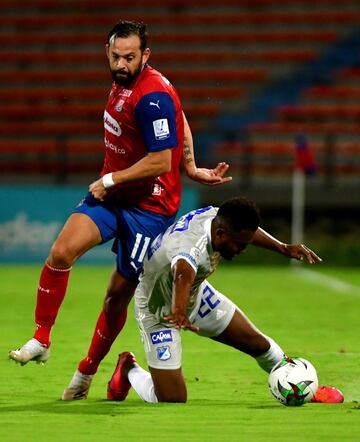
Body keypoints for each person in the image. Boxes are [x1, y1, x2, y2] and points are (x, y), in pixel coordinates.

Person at [8, 20, 231, 399]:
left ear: (146, 55)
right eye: (116, 56)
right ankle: (42, 338)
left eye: (130, 57)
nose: (122, 64)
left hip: (150, 210)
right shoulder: (127, 82)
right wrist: (191, 165)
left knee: (116, 297)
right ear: (107, 52)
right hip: (116, 195)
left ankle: (87, 371)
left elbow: (161, 160)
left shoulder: (152, 95)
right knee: (61, 252)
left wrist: (115, 179)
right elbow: (181, 117)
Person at [105, 196, 342, 404]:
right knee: (171, 398)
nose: (243, 249)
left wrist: (283, 248)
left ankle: (304, 390)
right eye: (240, 244)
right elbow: (182, 273)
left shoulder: (219, 218)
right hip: (160, 312)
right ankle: (128, 369)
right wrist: (178, 311)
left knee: (260, 346)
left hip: (196, 298)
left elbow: (246, 231)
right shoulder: (190, 246)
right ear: (220, 235)